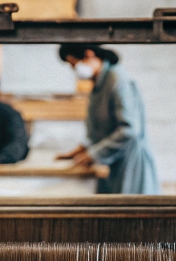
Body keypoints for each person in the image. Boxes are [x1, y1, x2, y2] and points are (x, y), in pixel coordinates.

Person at [57, 44, 159, 195]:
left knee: (128, 213)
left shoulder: (117, 79)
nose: (74, 70)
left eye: (74, 64)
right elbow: (100, 127)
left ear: (89, 54)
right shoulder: (99, 83)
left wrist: (93, 154)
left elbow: (129, 130)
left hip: (130, 163)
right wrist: (83, 148)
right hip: (112, 164)